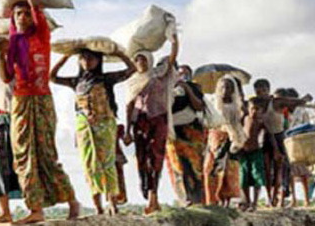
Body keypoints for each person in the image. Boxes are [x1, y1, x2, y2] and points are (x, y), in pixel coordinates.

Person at [0, 0, 80, 224]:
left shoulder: (41, 34)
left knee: (46, 152)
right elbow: (6, 76)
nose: (22, 17)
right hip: (20, 100)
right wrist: (1, 53)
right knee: (22, 153)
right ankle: (35, 209)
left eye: (25, 13)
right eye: (17, 13)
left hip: (42, 99)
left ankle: (71, 201)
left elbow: (36, 6)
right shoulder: (12, 42)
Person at [51, 48, 136, 215]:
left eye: (91, 58)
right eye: (83, 58)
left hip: (104, 124)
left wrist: (120, 54)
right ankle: (97, 205)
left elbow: (131, 70)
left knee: (107, 162)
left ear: (99, 60)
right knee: (89, 164)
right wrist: (65, 57)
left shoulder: (106, 79)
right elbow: (52, 77)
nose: (87, 61)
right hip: (84, 127)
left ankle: (112, 202)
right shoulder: (76, 82)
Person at [124, 37, 179, 215]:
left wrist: (174, 41)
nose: (140, 62)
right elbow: (129, 105)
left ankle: (153, 197)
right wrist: (126, 131)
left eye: (143, 59)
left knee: (156, 158)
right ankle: (147, 191)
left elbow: (172, 58)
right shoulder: (133, 81)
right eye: (137, 59)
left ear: (149, 60)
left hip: (158, 120)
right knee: (141, 160)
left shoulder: (159, 75)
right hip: (140, 122)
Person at [250, 79, 311, 207]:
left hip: (279, 137)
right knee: (267, 170)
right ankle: (269, 197)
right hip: (266, 137)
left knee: (279, 170)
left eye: (263, 91)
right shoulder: (257, 104)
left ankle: (275, 197)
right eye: (257, 92)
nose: (260, 94)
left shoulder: (276, 102)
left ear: (268, 90)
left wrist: (305, 99)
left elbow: (295, 103)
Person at [165, 64, 207, 206]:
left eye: (186, 73)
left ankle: (198, 199)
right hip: (173, 132)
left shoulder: (195, 88)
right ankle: (184, 199)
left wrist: (187, 89)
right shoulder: (168, 90)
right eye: (180, 73)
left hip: (191, 132)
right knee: (178, 166)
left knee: (195, 165)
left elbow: (199, 106)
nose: (183, 76)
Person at [203, 75, 245, 207]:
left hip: (233, 139)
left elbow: (239, 122)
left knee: (230, 170)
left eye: (228, 87)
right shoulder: (214, 104)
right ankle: (213, 199)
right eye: (222, 87)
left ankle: (227, 199)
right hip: (216, 138)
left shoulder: (237, 106)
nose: (225, 89)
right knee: (212, 169)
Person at [0, 72, 23, 224]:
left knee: (24, 164)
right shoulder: (0, 71)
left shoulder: (24, 68)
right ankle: (5, 212)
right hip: (2, 120)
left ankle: (35, 209)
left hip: (21, 117)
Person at [236, 100, 273, 211]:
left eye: (258, 109)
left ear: (262, 111)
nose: (254, 111)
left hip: (256, 151)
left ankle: (255, 203)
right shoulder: (245, 119)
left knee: (257, 175)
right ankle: (247, 201)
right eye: (252, 108)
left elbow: (270, 135)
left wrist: (275, 150)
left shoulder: (262, 122)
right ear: (248, 109)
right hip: (243, 151)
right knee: (243, 177)